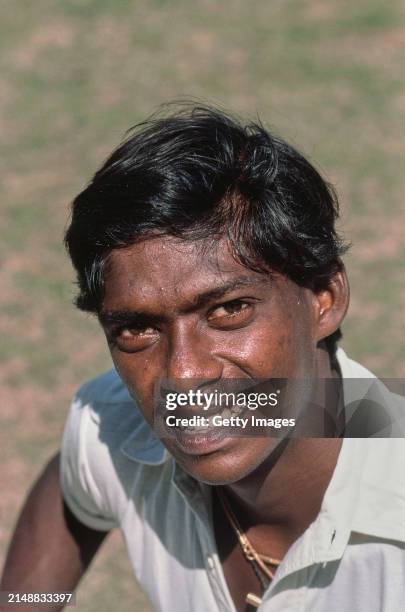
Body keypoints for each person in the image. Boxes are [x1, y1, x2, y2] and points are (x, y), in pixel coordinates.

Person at [1, 105, 405, 612]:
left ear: (323, 297)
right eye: (137, 329)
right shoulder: (118, 431)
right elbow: (74, 482)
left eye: (229, 310)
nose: (184, 374)